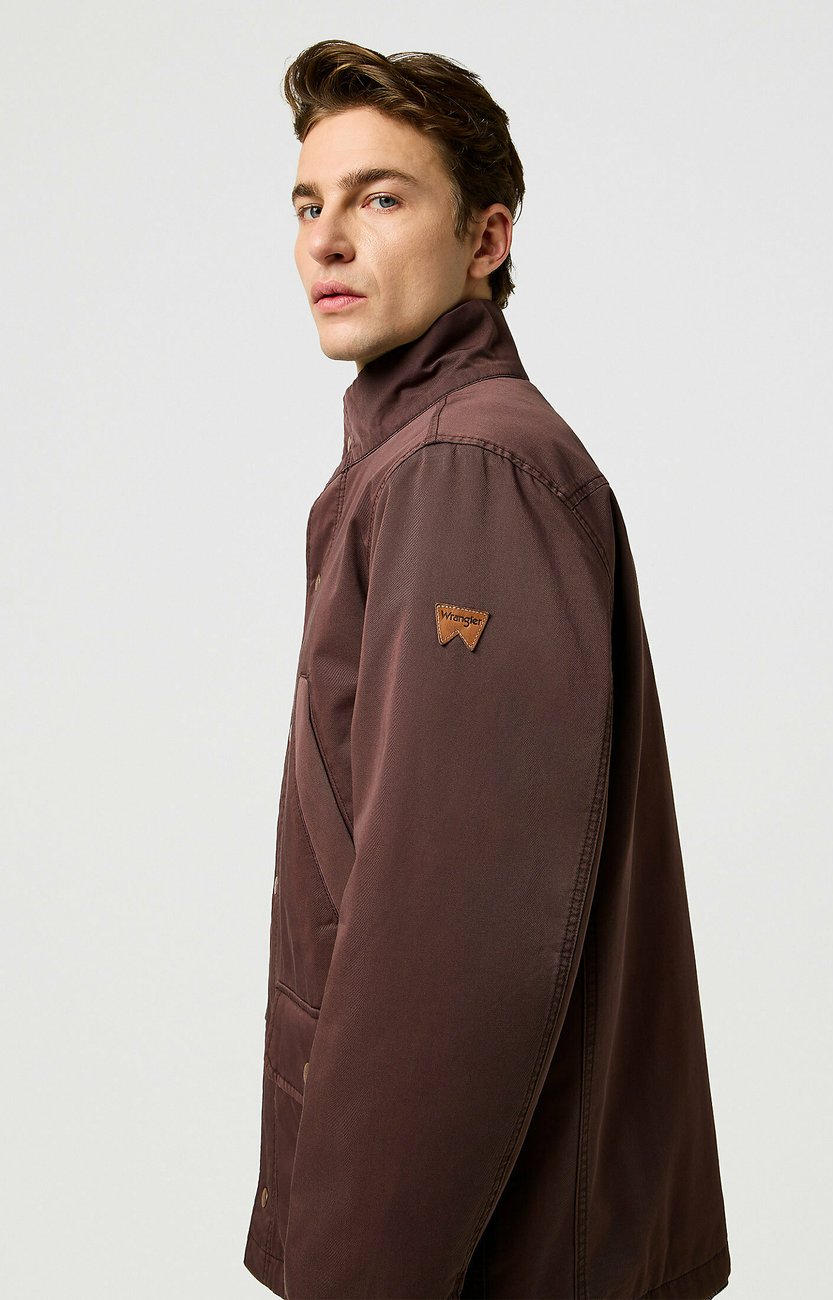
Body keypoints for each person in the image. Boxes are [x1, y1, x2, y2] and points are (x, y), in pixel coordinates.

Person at [242, 38, 731, 1300]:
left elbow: (447, 943)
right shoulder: (420, 460)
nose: (326, 241)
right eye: (308, 203)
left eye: (380, 198)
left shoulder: (465, 471)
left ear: (487, 238)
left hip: (486, 1256)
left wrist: (347, 1275)